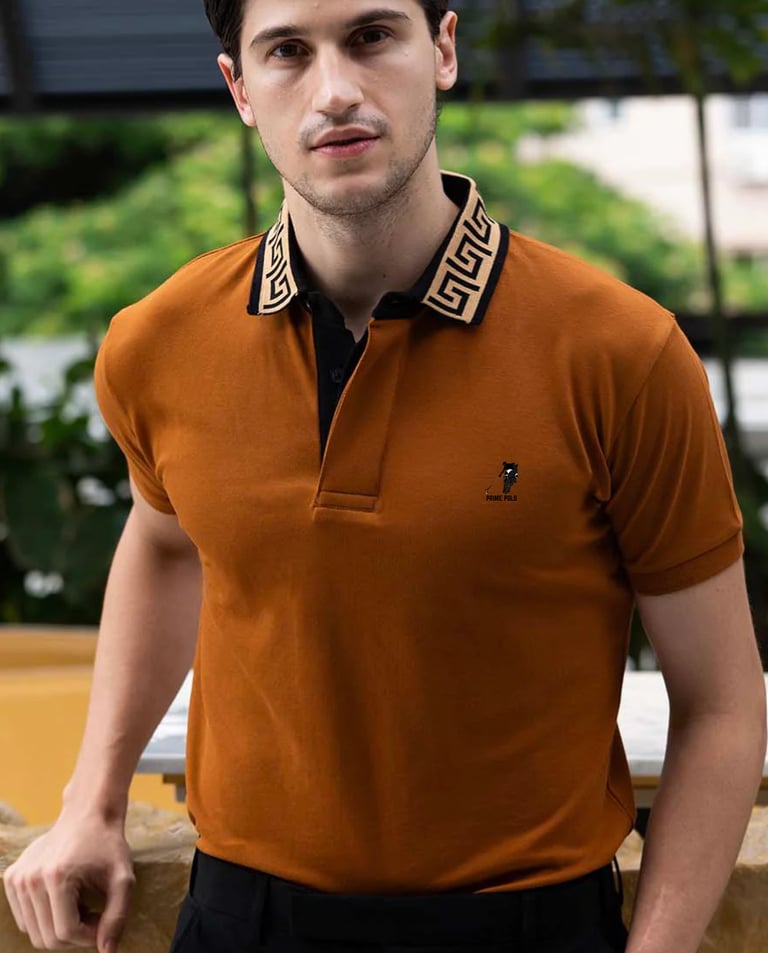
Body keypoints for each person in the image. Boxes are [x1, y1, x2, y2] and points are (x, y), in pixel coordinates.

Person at [4, 1, 766, 951]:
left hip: (526, 922)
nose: (334, 91)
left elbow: (723, 705)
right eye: (288, 52)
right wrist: (92, 800)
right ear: (240, 89)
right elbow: (165, 545)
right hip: (243, 918)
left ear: (441, 49)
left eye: (371, 37)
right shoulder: (158, 342)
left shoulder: (620, 352)